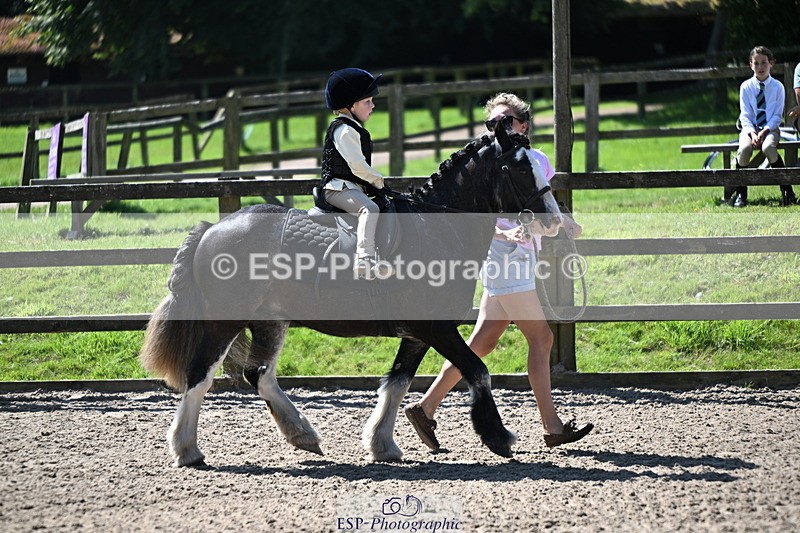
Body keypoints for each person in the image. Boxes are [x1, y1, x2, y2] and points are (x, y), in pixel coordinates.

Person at [404, 92, 593, 451]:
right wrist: (506, 231)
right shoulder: (485, 163)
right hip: (505, 258)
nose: (497, 129)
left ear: (523, 125)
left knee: (482, 342)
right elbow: (473, 215)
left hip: (519, 257)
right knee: (542, 340)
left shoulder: (535, 160)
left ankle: (425, 408)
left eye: (505, 122)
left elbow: (543, 204)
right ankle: (552, 426)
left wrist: (563, 222)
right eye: (492, 123)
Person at [321, 68, 393, 279]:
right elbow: (357, 167)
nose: (373, 106)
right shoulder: (344, 130)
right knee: (369, 209)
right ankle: (363, 259)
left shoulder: (352, 128)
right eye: (367, 101)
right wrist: (379, 182)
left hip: (349, 187)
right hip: (337, 189)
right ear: (350, 105)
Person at [732, 46, 794, 207]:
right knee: (744, 150)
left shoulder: (778, 87)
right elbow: (745, 115)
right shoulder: (745, 87)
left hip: (770, 128)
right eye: (756, 63)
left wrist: (765, 131)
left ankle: (787, 191)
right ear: (751, 65)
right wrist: (752, 134)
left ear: (771, 63)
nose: (760, 67)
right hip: (750, 129)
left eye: (764, 63)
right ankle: (741, 193)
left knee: (768, 148)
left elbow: (776, 116)